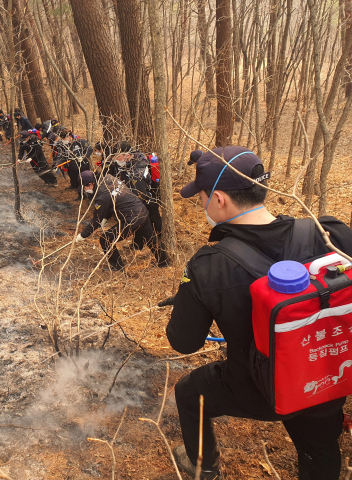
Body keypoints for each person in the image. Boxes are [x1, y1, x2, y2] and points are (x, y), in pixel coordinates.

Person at [166, 146, 352, 480]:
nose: (202, 203)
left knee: (189, 392)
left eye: (203, 196)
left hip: (257, 391)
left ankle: (204, 466)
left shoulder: (208, 267)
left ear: (219, 199)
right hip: (325, 378)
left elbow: (183, 342)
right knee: (320, 451)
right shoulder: (329, 234)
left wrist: (189, 294)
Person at [75, 171, 168, 271]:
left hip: (132, 220)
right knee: (151, 238)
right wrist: (106, 218)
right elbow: (113, 201)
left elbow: (96, 221)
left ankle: (117, 267)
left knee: (105, 239)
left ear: (90, 184)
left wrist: (82, 235)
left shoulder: (101, 197)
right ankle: (164, 262)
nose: (85, 191)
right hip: (141, 211)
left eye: (84, 188)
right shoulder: (108, 178)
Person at [113, 142, 164, 254]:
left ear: (126, 155)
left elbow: (140, 193)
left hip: (148, 200)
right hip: (136, 200)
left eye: (118, 156)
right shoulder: (126, 165)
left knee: (154, 224)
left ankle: (161, 247)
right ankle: (137, 244)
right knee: (139, 224)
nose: (116, 159)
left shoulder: (138, 169)